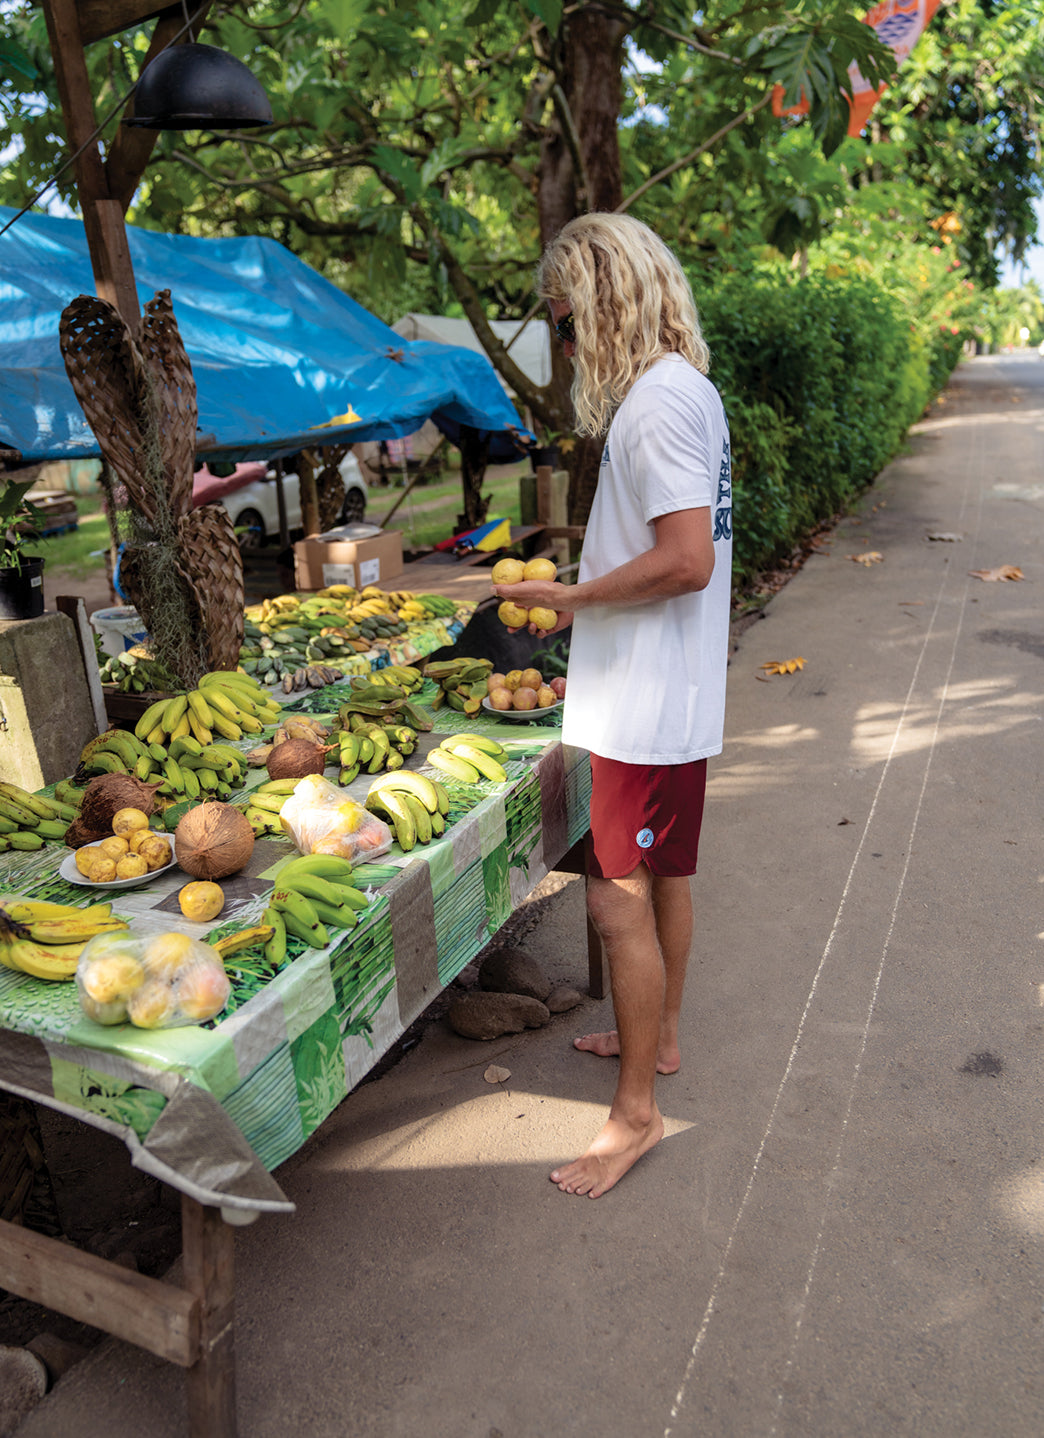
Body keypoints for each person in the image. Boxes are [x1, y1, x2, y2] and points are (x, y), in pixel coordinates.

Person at [492, 213, 733, 1198]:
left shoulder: (658, 406)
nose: (564, 343)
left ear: (600, 304)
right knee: (665, 875)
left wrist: (577, 596)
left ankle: (634, 1116)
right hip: (666, 686)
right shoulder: (682, 392)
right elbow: (665, 539)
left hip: (643, 704)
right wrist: (582, 591)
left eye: (562, 322)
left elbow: (686, 559)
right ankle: (659, 1036)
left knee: (611, 899)